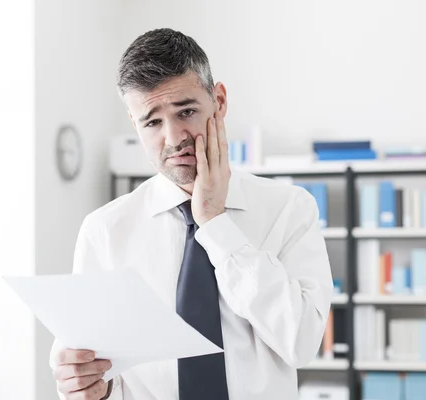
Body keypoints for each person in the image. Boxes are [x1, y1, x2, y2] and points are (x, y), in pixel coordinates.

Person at [50, 28, 333, 400]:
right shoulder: (104, 231)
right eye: (152, 122)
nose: (173, 137)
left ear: (219, 101)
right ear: (135, 125)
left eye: (186, 111)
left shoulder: (290, 209)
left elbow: (301, 343)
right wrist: (92, 388)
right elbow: (104, 375)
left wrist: (215, 224)